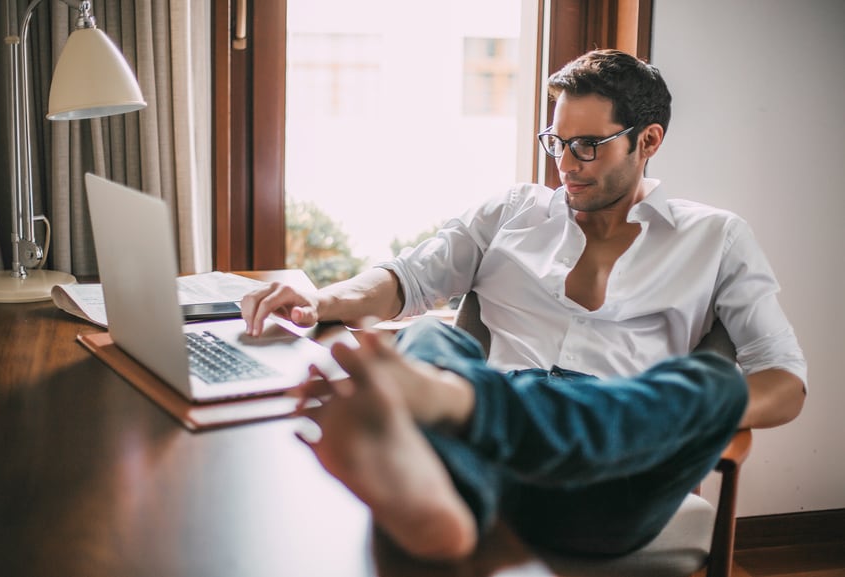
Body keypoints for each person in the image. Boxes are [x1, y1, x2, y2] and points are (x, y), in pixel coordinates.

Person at [241, 49, 807, 561]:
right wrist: (320, 299)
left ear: (649, 141)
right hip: (486, 453)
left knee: (713, 384)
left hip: (608, 474)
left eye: (588, 145)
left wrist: (685, 418)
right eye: (557, 142)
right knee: (434, 339)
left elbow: (785, 382)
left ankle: (456, 408)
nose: (566, 161)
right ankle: (445, 492)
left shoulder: (716, 238)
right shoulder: (512, 211)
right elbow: (405, 279)